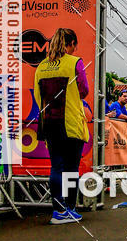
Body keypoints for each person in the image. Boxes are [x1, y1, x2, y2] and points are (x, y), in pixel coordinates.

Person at [34, 27, 89, 224]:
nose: (75, 49)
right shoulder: (75, 62)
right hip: (71, 122)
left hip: (49, 122)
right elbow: (84, 90)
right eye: (75, 45)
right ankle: (70, 209)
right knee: (71, 168)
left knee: (55, 167)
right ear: (71, 43)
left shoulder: (41, 66)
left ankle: (58, 211)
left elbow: (37, 96)